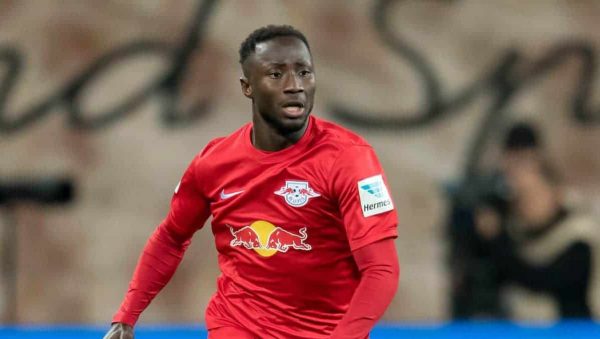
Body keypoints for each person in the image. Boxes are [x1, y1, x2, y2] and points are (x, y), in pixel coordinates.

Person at [103, 25, 400, 339]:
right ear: (248, 87)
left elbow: (381, 270)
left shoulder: (350, 160)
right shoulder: (214, 163)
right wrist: (126, 317)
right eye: (276, 74)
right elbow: (171, 237)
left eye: (304, 72)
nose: (294, 86)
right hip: (237, 326)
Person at [474, 122, 600, 320]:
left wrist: (497, 239)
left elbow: (542, 280)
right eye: (521, 200)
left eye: (534, 195)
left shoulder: (579, 236)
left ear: (555, 193)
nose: (527, 206)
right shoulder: (516, 231)